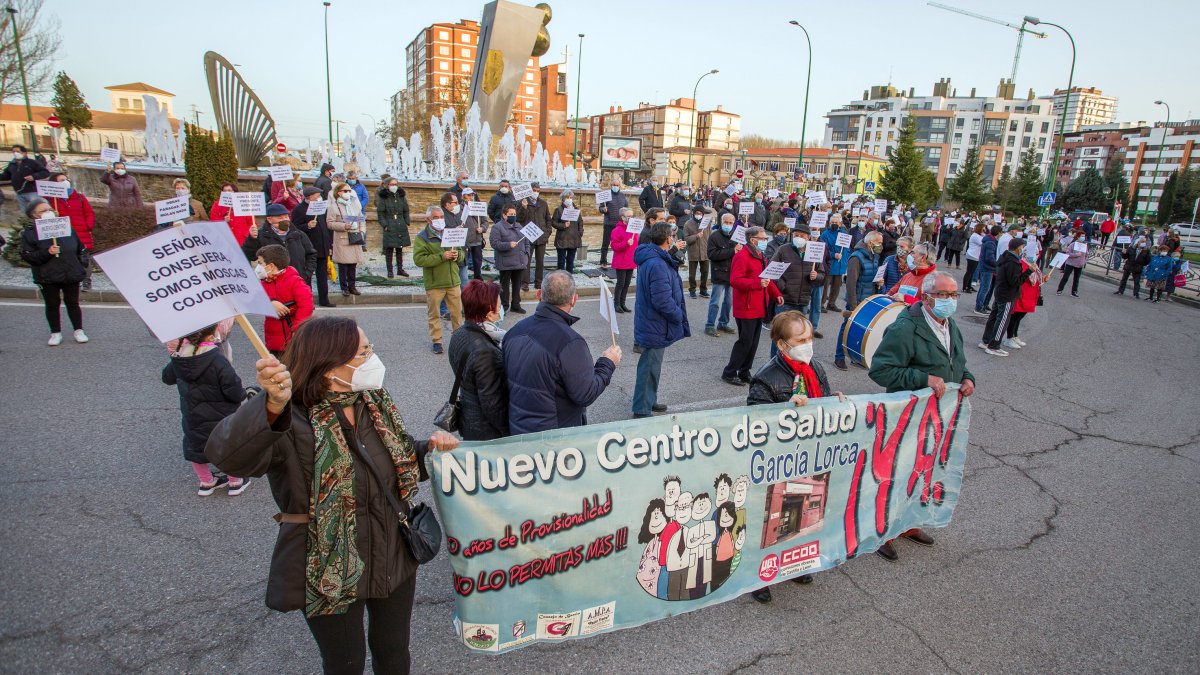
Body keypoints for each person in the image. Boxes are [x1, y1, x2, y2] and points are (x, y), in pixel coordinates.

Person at [206, 316, 460, 674]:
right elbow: (230, 456)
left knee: (394, 652)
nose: (373, 358)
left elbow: (393, 464)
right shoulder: (288, 419)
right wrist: (269, 406)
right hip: (327, 563)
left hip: (392, 549)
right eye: (363, 352)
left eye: (370, 348)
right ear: (328, 367)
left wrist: (430, 450)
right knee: (344, 662)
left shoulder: (373, 403)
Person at [868, 271, 975, 562]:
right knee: (896, 473)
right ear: (927, 298)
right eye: (943, 295)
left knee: (923, 472)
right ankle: (882, 532)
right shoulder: (906, 326)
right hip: (907, 416)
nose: (950, 300)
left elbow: (958, 361)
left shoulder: (949, 324)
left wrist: (966, 378)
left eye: (954, 295)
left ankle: (908, 523)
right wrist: (922, 378)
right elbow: (880, 370)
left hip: (938, 416)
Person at [747, 311, 843, 601]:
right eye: (800, 340)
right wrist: (784, 411)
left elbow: (824, 404)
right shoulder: (766, 379)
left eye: (809, 337)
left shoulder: (815, 368)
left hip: (809, 458)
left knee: (801, 518)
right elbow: (755, 426)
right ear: (782, 345)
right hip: (778, 463)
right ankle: (757, 577)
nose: (807, 344)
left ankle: (793, 564)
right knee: (769, 523)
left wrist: (836, 405)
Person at [502, 270, 622, 434]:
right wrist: (607, 362)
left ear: (539, 295)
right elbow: (585, 394)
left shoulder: (514, 331)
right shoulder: (570, 343)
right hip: (555, 440)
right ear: (574, 299)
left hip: (519, 432)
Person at [162, 324, 250, 497]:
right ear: (211, 336)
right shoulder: (216, 358)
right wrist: (242, 396)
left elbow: (167, 377)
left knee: (195, 444)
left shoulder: (180, 355)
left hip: (192, 413)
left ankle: (206, 482)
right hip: (221, 414)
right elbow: (232, 387)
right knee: (227, 446)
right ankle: (235, 481)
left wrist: (175, 353)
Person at [632, 219, 690, 418]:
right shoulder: (656, 264)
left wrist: (673, 254)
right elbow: (662, 300)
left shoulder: (656, 257)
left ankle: (649, 399)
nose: (674, 239)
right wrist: (678, 315)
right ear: (667, 238)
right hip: (654, 323)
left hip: (653, 322)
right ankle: (642, 408)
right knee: (649, 368)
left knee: (652, 367)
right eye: (672, 236)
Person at [19, 198, 89, 345]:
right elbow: (28, 256)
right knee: (52, 304)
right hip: (47, 275)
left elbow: (80, 248)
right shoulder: (30, 234)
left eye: (49, 209)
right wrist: (48, 252)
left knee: (73, 303)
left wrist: (81, 265)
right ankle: (55, 333)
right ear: (35, 215)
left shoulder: (66, 227)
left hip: (70, 272)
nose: (48, 212)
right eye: (44, 211)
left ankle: (78, 330)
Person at [447, 280, 509, 440]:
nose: (502, 308)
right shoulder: (485, 353)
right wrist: (508, 432)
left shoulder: (460, 333)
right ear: (489, 312)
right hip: (484, 430)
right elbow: (492, 404)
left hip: (467, 417)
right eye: (500, 304)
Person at [722, 226, 783, 386]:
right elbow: (735, 280)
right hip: (746, 306)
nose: (765, 241)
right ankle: (729, 372)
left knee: (753, 342)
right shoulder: (742, 256)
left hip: (759, 305)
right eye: (762, 238)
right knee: (745, 341)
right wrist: (757, 283)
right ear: (752, 239)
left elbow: (767, 278)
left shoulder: (761, 256)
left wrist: (776, 294)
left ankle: (744, 370)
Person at [413, 205, 466, 354]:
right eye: (436, 218)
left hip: (453, 281)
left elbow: (461, 252)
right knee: (434, 314)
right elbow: (419, 259)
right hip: (435, 283)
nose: (439, 220)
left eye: (441, 217)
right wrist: (441, 257)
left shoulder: (450, 233)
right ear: (428, 220)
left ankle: (458, 340)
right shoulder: (422, 237)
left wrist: (458, 256)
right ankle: (437, 341)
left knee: (457, 314)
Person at [833, 232, 883, 370]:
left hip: (868, 298)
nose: (881, 245)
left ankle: (856, 357)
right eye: (879, 242)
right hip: (857, 299)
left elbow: (870, 276)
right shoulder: (856, 258)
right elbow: (851, 283)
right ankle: (839, 357)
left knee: (862, 329)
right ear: (870, 243)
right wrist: (853, 306)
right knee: (846, 328)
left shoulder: (874, 255)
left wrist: (879, 283)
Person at [254, 244, 314, 357]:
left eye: (260, 263)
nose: (258, 267)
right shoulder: (265, 282)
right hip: (272, 340)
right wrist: (270, 304)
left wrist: (297, 329)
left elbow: (307, 305)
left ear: (271, 266)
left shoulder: (294, 281)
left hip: (292, 339)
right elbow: (255, 301)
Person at [980, 238, 1033, 357]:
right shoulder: (1013, 262)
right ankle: (994, 346)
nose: (1023, 249)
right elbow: (1015, 281)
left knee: (994, 317)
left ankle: (986, 340)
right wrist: (1028, 271)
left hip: (1000, 291)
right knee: (1002, 320)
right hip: (1007, 294)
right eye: (1022, 247)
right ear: (1018, 247)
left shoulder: (1004, 257)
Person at [771, 226, 825, 336]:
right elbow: (772, 270)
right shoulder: (783, 249)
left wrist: (816, 276)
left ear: (808, 237)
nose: (798, 238)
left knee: (796, 335)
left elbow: (822, 273)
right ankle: (775, 354)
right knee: (781, 334)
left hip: (803, 301)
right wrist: (783, 286)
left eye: (802, 236)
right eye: (796, 235)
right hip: (785, 300)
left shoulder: (814, 251)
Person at [46, 172, 96, 290]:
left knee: (84, 258)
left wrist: (88, 225)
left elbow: (89, 212)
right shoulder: (50, 200)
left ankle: (86, 280)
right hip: (64, 234)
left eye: (65, 179)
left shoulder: (79, 197)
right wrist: (53, 214)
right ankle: (73, 281)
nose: (64, 181)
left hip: (81, 232)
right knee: (68, 258)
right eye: (60, 180)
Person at [241, 203, 317, 277]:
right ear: (269, 219)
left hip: (299, 280)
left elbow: (311, 254)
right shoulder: (261, 235)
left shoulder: (299, 234)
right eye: (280, 217)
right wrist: (252, 239)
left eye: (286, 216)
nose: (285, 219)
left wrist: (307, 273)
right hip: (273, 281)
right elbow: (250, 256)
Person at [294, 187, 335, 307]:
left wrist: (329, 245)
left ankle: (324, 299)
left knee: (322, 276)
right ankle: (307, 300)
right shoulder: (299, 209)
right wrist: (307, 226)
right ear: (310, 196)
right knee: (307, 276)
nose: (319, 197)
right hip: (308, 248)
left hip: (322, 247)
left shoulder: (320, 208)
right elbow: (295, 228)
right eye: (317, 195)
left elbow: (325, 228)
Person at [489, 204, 531, 315]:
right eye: (510, 214)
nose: (513, 216)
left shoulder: (519, 226)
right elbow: (494, 243)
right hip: (506, 262)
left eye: (514, 214)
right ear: (504, 215)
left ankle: (516, 305)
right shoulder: (497, 227)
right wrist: (508, 245)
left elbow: (526, 241)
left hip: (520, 261)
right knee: (504, 286)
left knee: (517, 285)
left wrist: (527, 253)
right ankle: (504, 306)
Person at [326, 182, 366, 297]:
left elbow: (361, 219)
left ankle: (352, 286)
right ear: (338, 193)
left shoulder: (355, 205)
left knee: (353, 264)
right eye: (345, 191)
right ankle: (344, 287)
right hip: (343, 237)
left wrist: (362, 231)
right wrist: (343, 226)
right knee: (343, 265)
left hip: (355, 236)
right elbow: (330, 223)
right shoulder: (334, 207)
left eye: (349, 191)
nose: (348, 193)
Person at [705, 213, 739, 337]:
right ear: (721, 221)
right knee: (715, 301)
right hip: (719, 273)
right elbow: (712, 255)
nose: (728, 225)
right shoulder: (714, 236)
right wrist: (732, 251)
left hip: (732, 274)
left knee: (728, 301)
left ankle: (723, 322)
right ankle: (709, 325)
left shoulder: (736, 236)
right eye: (726, 222)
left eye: (731, 223)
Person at [1004, 255, 1043, 350]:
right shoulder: (1021, 263)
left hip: (1031, 293)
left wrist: (1044, 278)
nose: (1036, 255)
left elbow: (1037, 277)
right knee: (1015, 316)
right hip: (1023, 293)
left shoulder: (1033, 264)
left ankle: (1014, 335)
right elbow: (1020, 278)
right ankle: (1009, 338)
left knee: (1020, 316)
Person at [518, 182, 551, 289]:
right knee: (526, 260)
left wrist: (547, 232)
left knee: (540, 261)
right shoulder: (522, 202)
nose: (536, 192)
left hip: (541, 237)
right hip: (528, 236)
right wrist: (523, 208)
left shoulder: (543, 203)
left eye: (538, 190)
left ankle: (539, 282)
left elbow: (548, 219)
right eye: (534, 190)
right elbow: (519, 219)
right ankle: (525, 282)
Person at [377, 177, 411, 278]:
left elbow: (406, 210)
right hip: (390, 224)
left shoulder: (401, 196)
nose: (394, 186)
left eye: (395, 184)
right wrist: (385, 225)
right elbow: (380, 213)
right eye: (392, 184)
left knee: (400, 248)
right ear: (387, 185)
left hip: (400, 224)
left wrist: (407, 221)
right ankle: (390, 270)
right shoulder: (384, 198)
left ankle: (400, 269)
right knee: (389, 249)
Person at [3, 144, 49, 211]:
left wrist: (34, 176)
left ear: (24, 153)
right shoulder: (12, 164)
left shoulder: (32, 162)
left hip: (32, 192)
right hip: (19, 193)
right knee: (25, 212)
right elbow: (6, 175)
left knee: (37, 209)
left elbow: (45, 172)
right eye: (13, 152)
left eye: (17, 151)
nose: (15, 153)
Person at [820, 214, 851, 311]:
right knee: (825, 286)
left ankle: (831, 303)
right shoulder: (825, 234)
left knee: (836, 286)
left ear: (840, 223)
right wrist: (833, 255)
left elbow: (847, 249)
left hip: (841, 264)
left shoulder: (845, 234)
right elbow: (822, 249)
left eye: (835, 222)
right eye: (832, 222)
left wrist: (846, 260)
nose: (833, 224)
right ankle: (821, 304)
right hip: (829, 264)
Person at [610, 207, 638, 313]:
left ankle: (623, 303)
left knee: (627, 284)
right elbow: (615, 246)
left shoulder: (634, 230)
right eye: (629, 216)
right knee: (620, 283)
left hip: (631, 261)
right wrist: (626, 243)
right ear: (622, 217)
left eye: (632, 216)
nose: (631, 218)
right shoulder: (616, 230)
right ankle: (616, 303)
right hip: (621, 261)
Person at [597, 177, 628, 267]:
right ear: (611, 185)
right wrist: (603, 209)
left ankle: (619, 261)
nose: (616, 186)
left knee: (620, 244)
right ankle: (603, 261)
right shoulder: (606, 195)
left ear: (619, 186)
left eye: (617, 185)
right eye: (614, 185)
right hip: (609, 223)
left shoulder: (622, 196)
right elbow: (600, 208)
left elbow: (626, 208)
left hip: (620, 225)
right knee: (605, 243)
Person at [551, 190, 582, 273]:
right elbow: (553, 223)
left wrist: (580, 233)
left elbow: (580, 222)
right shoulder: (558, 210)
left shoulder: (576, 209)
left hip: (573, 238)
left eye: (571, 197)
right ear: (563, 199)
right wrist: (563, 225)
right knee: (561, 261)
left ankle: (569, 278)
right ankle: (560, 279)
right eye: (567, 197)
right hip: (562, 239)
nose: (569, 199)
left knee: (570, 261)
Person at [460, 188, 489, 280]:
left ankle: (478, 280)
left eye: (472, 195)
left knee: (477, 263)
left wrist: (482, 228)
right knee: (463, 262)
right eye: (468, 195)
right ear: (463, 196)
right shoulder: (459, 208)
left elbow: (485, 222)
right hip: (464, 240)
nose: (471, 197)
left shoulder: (479, 207)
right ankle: (463, 281)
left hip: (477, 240)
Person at [683, 207, 711, 298]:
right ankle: (692, 290)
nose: (698, 215)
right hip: (693, 252)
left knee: (705, 272)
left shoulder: (707, 223)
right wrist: (696, 236)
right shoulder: (688, 224)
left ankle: (703, 290)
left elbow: (710, 236)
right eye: (697, 213)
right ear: (694, 213)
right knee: (692, 274)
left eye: (700, 213)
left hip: (705, 251)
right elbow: (686, 239)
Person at [975, 226, 1000, 313]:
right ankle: (979, 307)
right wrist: (998, 264)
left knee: (987, 288)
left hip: (988, 268)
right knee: (985, 288)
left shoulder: (990, 241)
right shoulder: (990, 242)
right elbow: (989, 258)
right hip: (987, 268)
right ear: (998, 233)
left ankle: (984, 304)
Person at [1055, 229, 1087, 297]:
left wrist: (1084, 261)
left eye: (1084, 236)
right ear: (1078, 237)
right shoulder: (1073, 244)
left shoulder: (1084, 246)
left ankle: (1074, 292)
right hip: (1071, 263)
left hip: (1079, 265)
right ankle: (1060, 290)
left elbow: (1086, 255)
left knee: (1076, 279)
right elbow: (1068, 253)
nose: (1083, 237)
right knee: (1065, 277)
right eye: (1082, 236)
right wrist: (1076, 255)